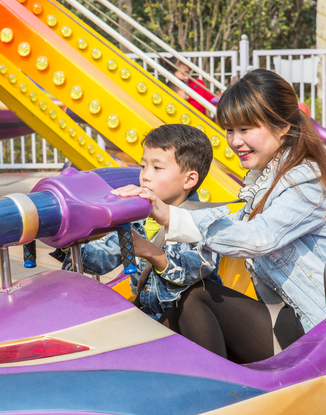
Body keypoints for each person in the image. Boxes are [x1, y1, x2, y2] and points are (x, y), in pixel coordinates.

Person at [114, 69, 326, 363]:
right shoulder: (265, 179)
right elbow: (230, 227)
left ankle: (214, 388)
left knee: (193, 296)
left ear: (282, 126)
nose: (235, 141)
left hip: (321, 325)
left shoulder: (308, 181)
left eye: (245, 129)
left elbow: (257, 238)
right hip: (283, 316)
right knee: (170, 311)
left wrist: (169, 215)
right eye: (230, 130)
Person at [64, 124, 221, 321]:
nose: (145, 176)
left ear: (189, 180)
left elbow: (194, 270)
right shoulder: (137, 217)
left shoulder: (202, 220)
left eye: (157, 168)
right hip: (149, 316)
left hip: (189, 322)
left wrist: (150, 252)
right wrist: (67, 235)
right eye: (143, 166)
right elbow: (99, 260)